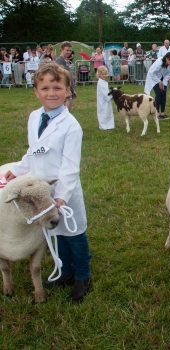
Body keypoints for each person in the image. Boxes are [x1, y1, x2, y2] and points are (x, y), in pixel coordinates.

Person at [4, 63, 91, 302]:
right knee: (54, 233)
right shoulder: (34, 117)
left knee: (73, 234)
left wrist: (61, 196)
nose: (51, 93)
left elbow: (71, 167)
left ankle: (83, 276)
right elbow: (34, 150)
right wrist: (19, 169)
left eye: (57, 87)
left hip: (64, 191)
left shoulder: (71, 126)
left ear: (68, 91)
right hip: (40, 191)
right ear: (36, 91)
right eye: (45, 87)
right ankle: (65, 271)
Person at [144, 52, 170, 120]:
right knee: (158, 94)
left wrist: (163, 83)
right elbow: (152, 73)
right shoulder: (159, 62)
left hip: (163, 78)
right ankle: (156, 113)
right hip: (153, 78)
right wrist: (159, 81)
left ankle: (162, 113)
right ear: (166, 58)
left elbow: (169, 75)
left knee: (163, 94)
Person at [55, 41, 75, 111]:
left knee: (67, 114)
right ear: (62, 50)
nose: (69, 52)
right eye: (67, 50)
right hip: (64, 91)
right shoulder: (59, 61)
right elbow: (60, 77)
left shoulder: (67, 61)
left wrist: (73, 90)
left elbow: (69, 75)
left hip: (69, 90)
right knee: (65, 114)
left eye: (70, 50)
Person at [96, 66, 114, 130]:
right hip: (103, 100)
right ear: (99, 74)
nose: (104, 76)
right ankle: (104, 126)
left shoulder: (103, 82)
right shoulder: (101, 83)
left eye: (105, 74)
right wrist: (111, 95)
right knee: (103, 112)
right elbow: (105, 93)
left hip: (105, 99)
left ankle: (109, 125)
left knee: (107, 111)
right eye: (102, 74)